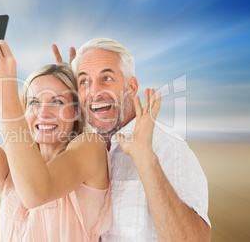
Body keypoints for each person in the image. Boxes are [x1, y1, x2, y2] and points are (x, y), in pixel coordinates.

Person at [0, 37, 145, 241]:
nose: (43, 112)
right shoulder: (13, 171)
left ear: (77, 112)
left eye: (57, 101)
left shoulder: (90, 147)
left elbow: (37, 192)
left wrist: (3, 91)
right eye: (33, 102)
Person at [52, 38, 211, 241]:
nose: (94, 91)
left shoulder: (167, 148)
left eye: (106, 78)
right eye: (84, 81)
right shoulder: (83, 149)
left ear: (132, 87)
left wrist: (145, 160)